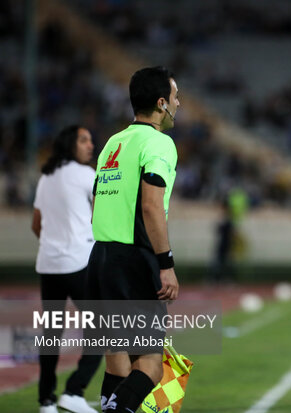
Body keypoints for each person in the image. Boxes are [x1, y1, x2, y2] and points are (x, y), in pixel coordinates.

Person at [87, 66, 180, 413]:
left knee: (117, 360)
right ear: (161, 103)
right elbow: (152, 206)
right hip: (134, 262)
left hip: (100, 258)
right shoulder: (159, 143)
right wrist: (165, 264)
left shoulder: (114, 142)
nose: (178, 103)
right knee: (151, 365)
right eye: (174, 97)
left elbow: (98, 202)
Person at [32, 125, 102, 413]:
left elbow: (36, 225)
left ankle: (46, 400)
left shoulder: (45, 177)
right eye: (83, 140)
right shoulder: (88, 175)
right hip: (79, 262)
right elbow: (102, 218)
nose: (91, 145)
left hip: (48, 264)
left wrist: (55, 244)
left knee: (51, 332)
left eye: (90, 139)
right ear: (69, 145)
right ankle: (74, 391)